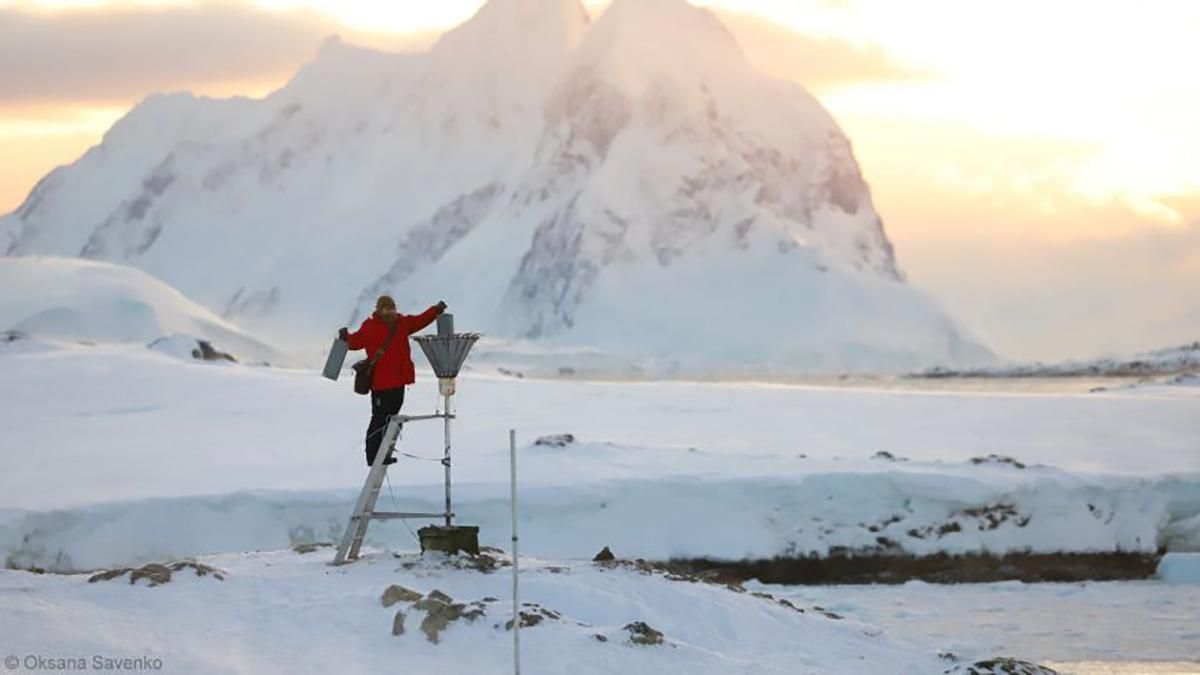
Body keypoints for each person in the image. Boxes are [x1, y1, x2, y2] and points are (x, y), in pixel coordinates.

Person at [340, 295, 447, 466]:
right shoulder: (370, 326)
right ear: (379, 309)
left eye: (392, 307)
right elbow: (354, 343)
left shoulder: (402, 323)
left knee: (391, 419)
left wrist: (436, 310)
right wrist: (346, 337)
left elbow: (421, 320)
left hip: (399, 382)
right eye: (386, 307)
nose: (390, 310)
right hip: (380, 384)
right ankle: (373, 456)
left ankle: (383, 454)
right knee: (379, 419)